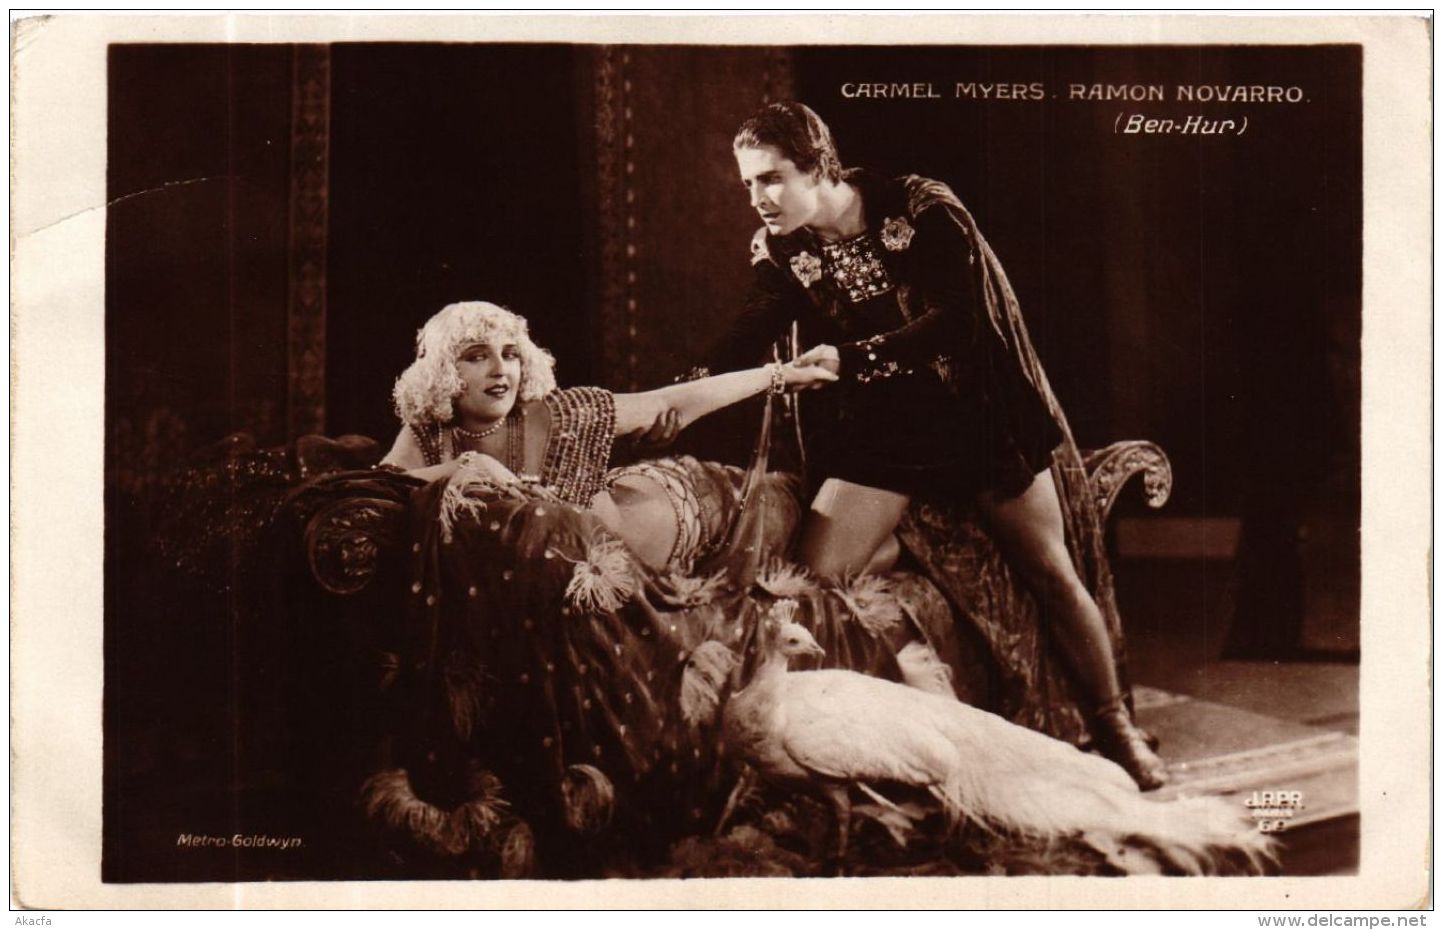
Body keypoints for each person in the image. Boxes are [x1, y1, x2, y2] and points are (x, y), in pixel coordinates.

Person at [704, 101, 1167, 789]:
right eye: (748, 183)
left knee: (1050, 571)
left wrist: (852, 358)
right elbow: (753, 326)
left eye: (771, 178)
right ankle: (889, 736)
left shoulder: (918, 209)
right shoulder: (784, 248)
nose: (758, 198)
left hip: (979, 414)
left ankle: (1113, 725)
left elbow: (958, 322)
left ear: (818, 166)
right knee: (816, 579)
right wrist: (691, 385)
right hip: (888, 434)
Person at [381, 300, 837, 571]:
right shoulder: (428, 434)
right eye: (478, 356)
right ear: (444, 370)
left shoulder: (562, 412)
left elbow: (671, 402)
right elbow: (381, 485)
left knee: (807, 529)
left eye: (511, 354)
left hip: (701, 511)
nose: (501, 370)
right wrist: (470, 465)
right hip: (622, 520)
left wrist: (777, 375)